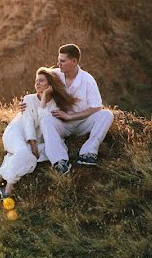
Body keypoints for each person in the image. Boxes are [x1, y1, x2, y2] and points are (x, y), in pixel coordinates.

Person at [0, 67, 78, 199]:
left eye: (41, 81)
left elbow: (44, 120)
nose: (37, 84)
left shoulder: (55, 105)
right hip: (17, 132)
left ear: (50, 85)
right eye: (36, 81)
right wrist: (32, 144)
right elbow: (27, 123)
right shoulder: (28, 98)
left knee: (23, 158)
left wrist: (44, 100)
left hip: (36, 137)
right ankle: (9, 186)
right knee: (25, 153)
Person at [22, 43, 114, 174]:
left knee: (107, 115)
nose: (58, 63)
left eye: (62, 61)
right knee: (46, 120)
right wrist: (27, 101)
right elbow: (40, 84)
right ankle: (59, 161)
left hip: (82, 122)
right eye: (59, 60)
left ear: (74, 61)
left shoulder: (88, 80)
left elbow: (96, 107)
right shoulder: (55, 74)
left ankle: (88, 152)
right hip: (61, 123)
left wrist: (71, 116)